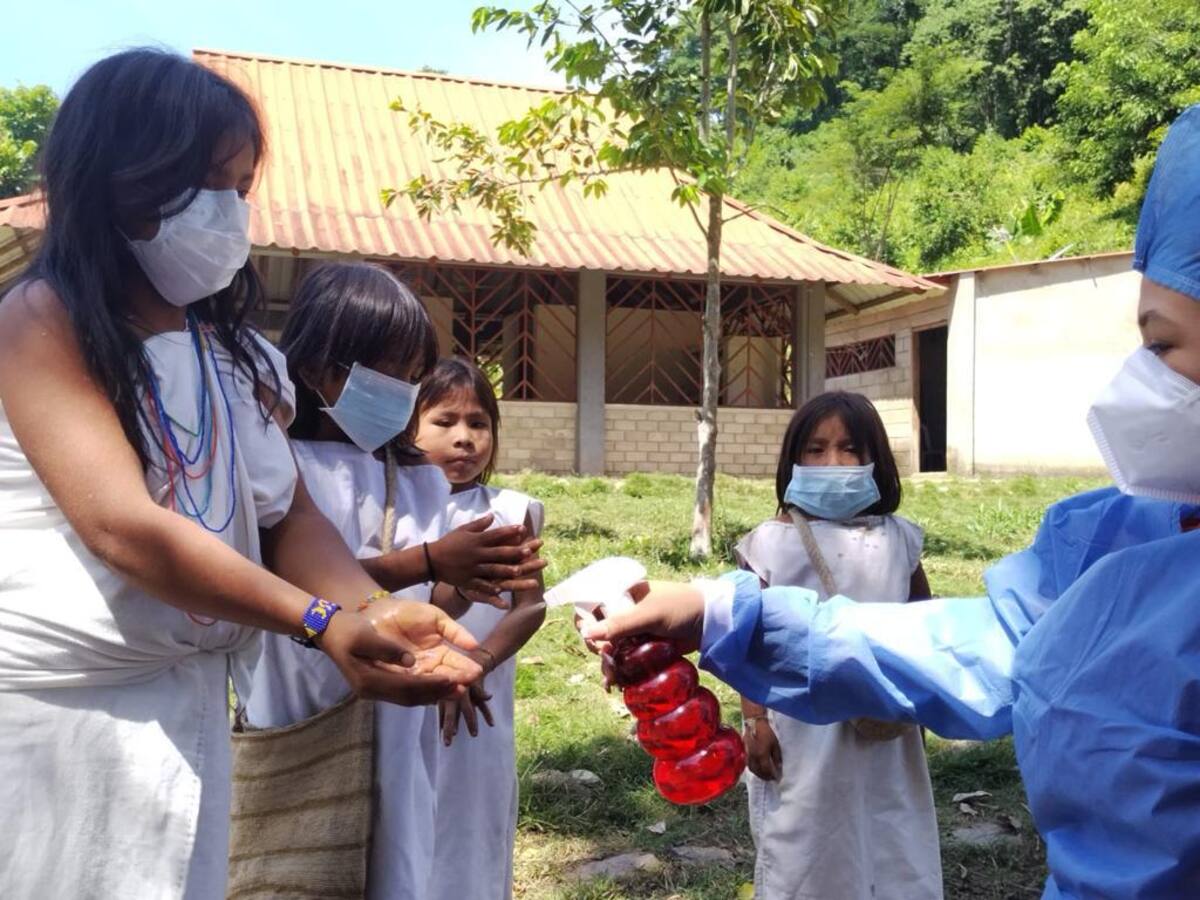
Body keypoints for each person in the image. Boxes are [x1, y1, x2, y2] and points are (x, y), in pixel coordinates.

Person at [586, 105, 1200, 898]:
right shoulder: (1125, 538)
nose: (1141, 381)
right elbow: (984, 641)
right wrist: (720, 615)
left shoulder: (908, 537)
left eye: (1163, 347)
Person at [0, 51, 479, 900]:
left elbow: (290, 517)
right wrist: (325, 621)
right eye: (204, 183)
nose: (228, 211)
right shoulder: (42, 323)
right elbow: (124, 527)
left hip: (186, 710)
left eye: (241, 185)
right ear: (116, 180)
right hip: (58, 727)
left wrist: (378, 610)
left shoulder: (238, 357)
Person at [245, 264, 545, 900]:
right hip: (302, 703)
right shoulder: (276, 461)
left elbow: (425, 604)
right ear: (326, 368)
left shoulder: (413, 478)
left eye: (414, 379)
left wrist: (471, 578)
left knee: (397, 858)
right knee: (298, 862)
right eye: (394, 374)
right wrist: (431, 560)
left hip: (399, 718)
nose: (405, 393)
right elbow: (292, 578)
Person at [737, 391, 941, 900]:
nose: (833, 462)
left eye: (850, 449)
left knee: (892, 834)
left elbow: (927, 623)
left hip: (885, 726)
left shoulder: (899, 540)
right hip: (801, 730)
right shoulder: (767, 545)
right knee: (806, 842)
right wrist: (755, 720)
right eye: (816, 449)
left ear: (876, 460)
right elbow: (747, 643)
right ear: (793, 461)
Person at [415, 357, 548, 900]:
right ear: (410, 427)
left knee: (470, 830)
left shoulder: (511, 513)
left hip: (481, 704)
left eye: (479, 423)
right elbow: (403, 601)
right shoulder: (396, 511)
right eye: (445, 422)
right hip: (409, 697)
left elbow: (529, 606)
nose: (464, 439)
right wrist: (456, 592)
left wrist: (479, 662)